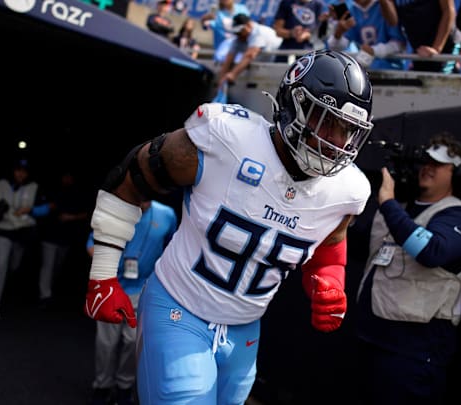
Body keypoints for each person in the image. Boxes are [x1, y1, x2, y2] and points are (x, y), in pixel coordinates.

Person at [82, 49, 375, 404]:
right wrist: (102, 275)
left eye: (347, 130)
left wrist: (331, 279)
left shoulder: (348, 190)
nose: (336, 141)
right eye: (326, 120)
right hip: (179, 309)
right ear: (294, 104)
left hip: (246, 331)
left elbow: (330, 241)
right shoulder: (226, 138)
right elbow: (130, 179)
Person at [354, 132, 461, 404]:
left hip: (413, 353)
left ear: (456, 172)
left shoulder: (458, 215)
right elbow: (357, 245)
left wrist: (387, 202)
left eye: (437, 164)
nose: (428, 168)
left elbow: (431, 252)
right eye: (425, 162)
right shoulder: (401, 209)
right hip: (371, 341)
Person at [87, 200, 178, 405]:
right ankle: (102, 385)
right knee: (106, 343)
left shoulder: (167, 214)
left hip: (144, 288)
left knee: (132, 341)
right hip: (111, 285)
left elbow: (172, 247)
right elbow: (91, 244)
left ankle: (124, 386)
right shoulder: (112, 210)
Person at [0, 158, 49, 320]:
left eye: (24, 171)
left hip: (22, 232)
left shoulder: (34, 187)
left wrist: (31, 210)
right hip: (0, 229)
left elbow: (47, 208)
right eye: (18, 170)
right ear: (12, 170)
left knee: (14, 265)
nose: (20, 174)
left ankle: (6, 285)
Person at [37, 169, 92, 307]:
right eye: (65, 176)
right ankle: (45, 295)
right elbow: (38, 210)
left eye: (70, 176)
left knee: (57, 266)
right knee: (47, 266)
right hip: (49, 236)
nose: (67, 179)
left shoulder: (78, 194)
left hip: (66, 237)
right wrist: (49, 207)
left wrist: (70, 217)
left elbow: (87, 214)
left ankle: (51, 290)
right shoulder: (51, 192)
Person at [380, 0, 461, 72]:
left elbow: (449, 11)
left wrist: (436, 49)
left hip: (446, 47)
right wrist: (385, 2)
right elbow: (393, 21)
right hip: (420, 51)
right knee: (420, 85)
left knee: (441, 83)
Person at [327, 0, 408, 70]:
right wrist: (338, 33)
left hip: (393, 70)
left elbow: (399, 44)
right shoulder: (352, 11)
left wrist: (374, 51)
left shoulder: (385, 6)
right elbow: (337, 47)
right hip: (366, 72)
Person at [215, 14, 283, 92]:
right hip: (262, 71)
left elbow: (250, 55)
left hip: (276, 68)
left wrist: (232, 74)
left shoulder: (259, 32)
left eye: (240, 32)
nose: (238, 35)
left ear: (248, 25)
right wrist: (221, 79)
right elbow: (229, 58)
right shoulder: (240, 37)